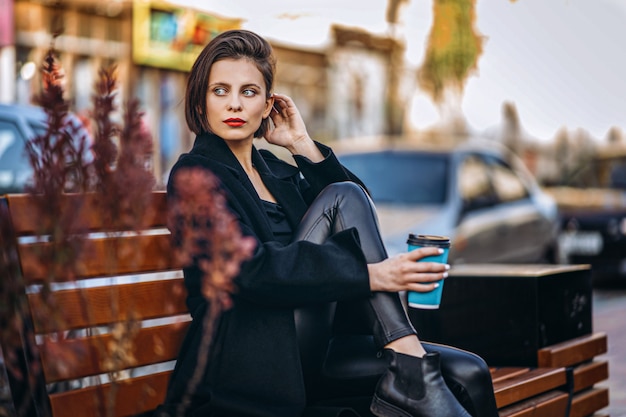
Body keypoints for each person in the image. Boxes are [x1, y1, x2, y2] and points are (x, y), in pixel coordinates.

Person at [159, 29, 499, 417]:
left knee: (468, 372)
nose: (234, 104)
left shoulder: (274, 170)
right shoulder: (194, 176)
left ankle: (407, 361)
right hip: (251, 355)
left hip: (313, 342)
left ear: (268, 104)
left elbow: (358, 219)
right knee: (343, 197)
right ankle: (407, 356)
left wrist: (302, 145)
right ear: (201, 102)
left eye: (249, 92)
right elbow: (247, 269)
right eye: (220, 90)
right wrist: (371, 276)